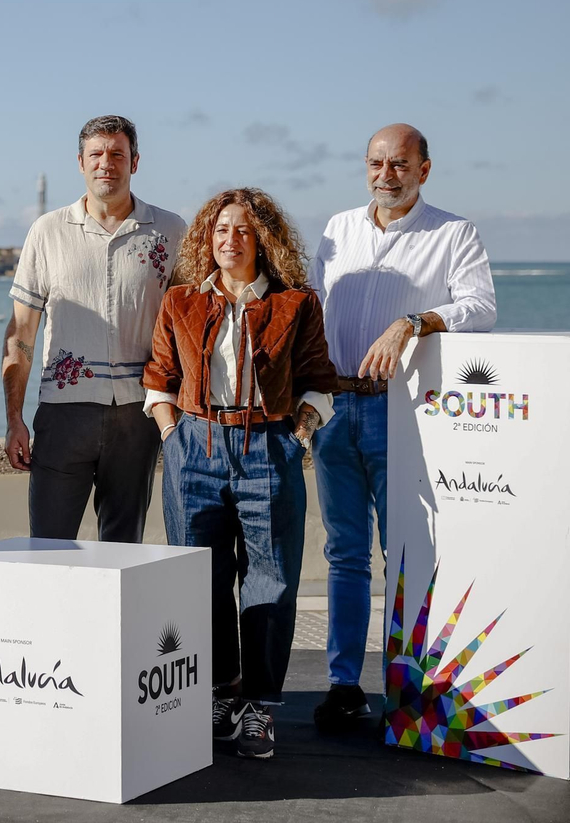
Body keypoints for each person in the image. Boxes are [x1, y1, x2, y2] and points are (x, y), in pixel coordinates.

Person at [308, 124, 496, 733]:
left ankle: (411, 689)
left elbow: (480, 306)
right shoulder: (338, 229)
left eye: (399, 164)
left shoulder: (453, 233)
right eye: (376, 163)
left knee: (408, 555)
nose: (386, 174)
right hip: (335, 410)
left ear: (424, 169)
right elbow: (312, 308)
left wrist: (414, 322)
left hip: (403, 413)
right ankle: (343, 685)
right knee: (345, 555)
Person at [144, 187, 335, 761]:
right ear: (208, 238)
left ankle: (259, 706)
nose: (230, 240)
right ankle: (219, 691)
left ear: (264, 241)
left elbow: (319, 381)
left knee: (270, 579)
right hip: (192, 445)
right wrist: (171, 431)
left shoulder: (296, 303)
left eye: (244, 231)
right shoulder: (180, 300)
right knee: (197, 577)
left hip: (267, 446)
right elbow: (159, 374)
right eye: (221, 229)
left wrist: (296, 433)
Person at [2, 115, 186, 541]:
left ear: (134, 162)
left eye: (117, 154)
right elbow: (21, 335)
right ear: (80, 162)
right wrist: (15, 419)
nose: (107, 163)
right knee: (48, 546)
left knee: (123, 551)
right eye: (97, 154)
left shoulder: (172, 230)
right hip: (63, 413)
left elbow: (189, 331)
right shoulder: (47, 232)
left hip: (138, 415)